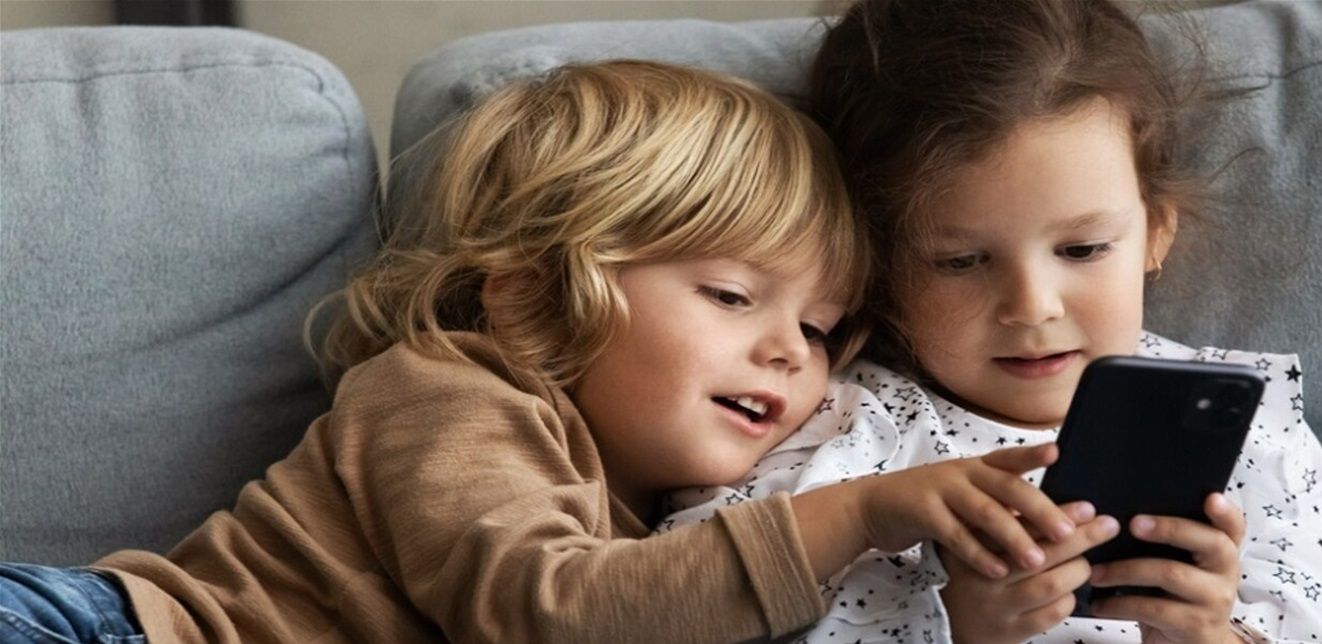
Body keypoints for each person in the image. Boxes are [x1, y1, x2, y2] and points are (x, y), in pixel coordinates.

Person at [0, 60, 1099, 644]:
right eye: (730, 295)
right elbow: (547, 610)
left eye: (818, 329)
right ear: (534, 289)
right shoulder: (448, 391)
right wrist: (857, 513)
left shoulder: (669, 514)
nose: (786, 353)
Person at [663, 0, 1322, 643]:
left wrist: (1209, 636)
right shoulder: (821, 424)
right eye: (961, 261)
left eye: (1082, 250)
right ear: (879, 265)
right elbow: (672, 611)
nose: (1032, 307)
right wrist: (951, 627)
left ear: (1156, 232)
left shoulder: (1255, 424)